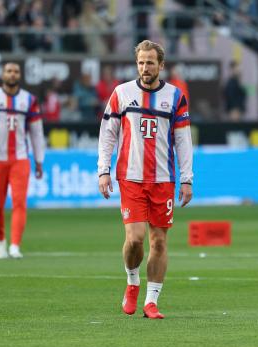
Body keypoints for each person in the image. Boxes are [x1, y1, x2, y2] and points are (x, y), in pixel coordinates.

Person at [98, 40, 193, 319]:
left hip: (163, 179)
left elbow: (183, 140)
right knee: (135, 239)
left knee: (159, 242)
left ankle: (151, 301)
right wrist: (103, 170)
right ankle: (131, 279)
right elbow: (107, 135)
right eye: (141, 62)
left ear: (161, 66)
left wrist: (186, 178)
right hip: (130, 177)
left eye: (150, 62)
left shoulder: (176, 97)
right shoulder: (122, 93)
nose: (145, 67)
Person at [0, 62, 45, 259]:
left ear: (19, 75)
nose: (12, 74)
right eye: (8, 71)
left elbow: (37, 132)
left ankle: (15, 245)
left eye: (15, 71)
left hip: (20, 159)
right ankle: (0, 241)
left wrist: (39, 159)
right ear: (3, 74)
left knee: (19, 202)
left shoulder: (29, 100)